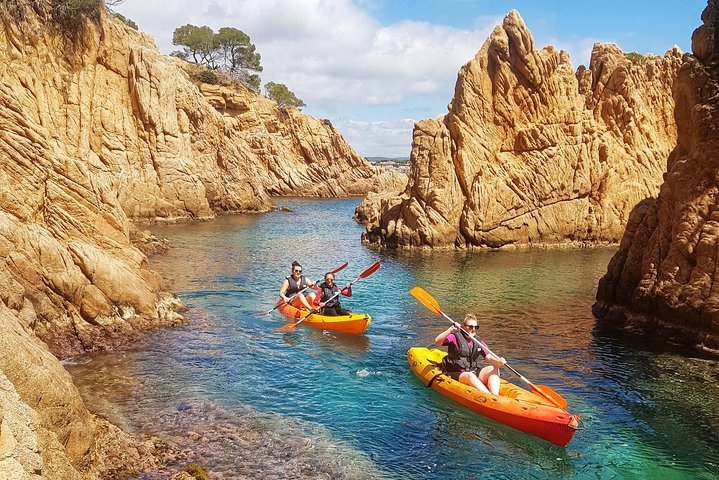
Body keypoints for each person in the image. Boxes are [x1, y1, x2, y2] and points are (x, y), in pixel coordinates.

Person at [434, 313, 506, 395]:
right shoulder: (455, 337)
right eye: (470, 327)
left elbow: (488, 356)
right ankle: (489, 397)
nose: (473, 329)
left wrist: (498, 361)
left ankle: (495, 395)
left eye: (476, 327)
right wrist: (450, 329)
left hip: (472, 371)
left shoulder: (478, 341)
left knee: (494, 368)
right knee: (470, 376)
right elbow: (437, 341)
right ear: (464, 326)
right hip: (456, 372)